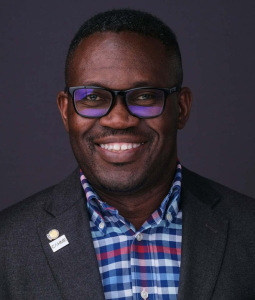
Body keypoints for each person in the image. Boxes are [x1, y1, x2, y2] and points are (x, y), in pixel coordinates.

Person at [0, 8, 255, 300]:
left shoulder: (248, 230)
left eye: (145, 95)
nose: (119, 119)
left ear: (181, 108)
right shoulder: (7, 245)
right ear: (66, 111)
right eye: (93, 97)